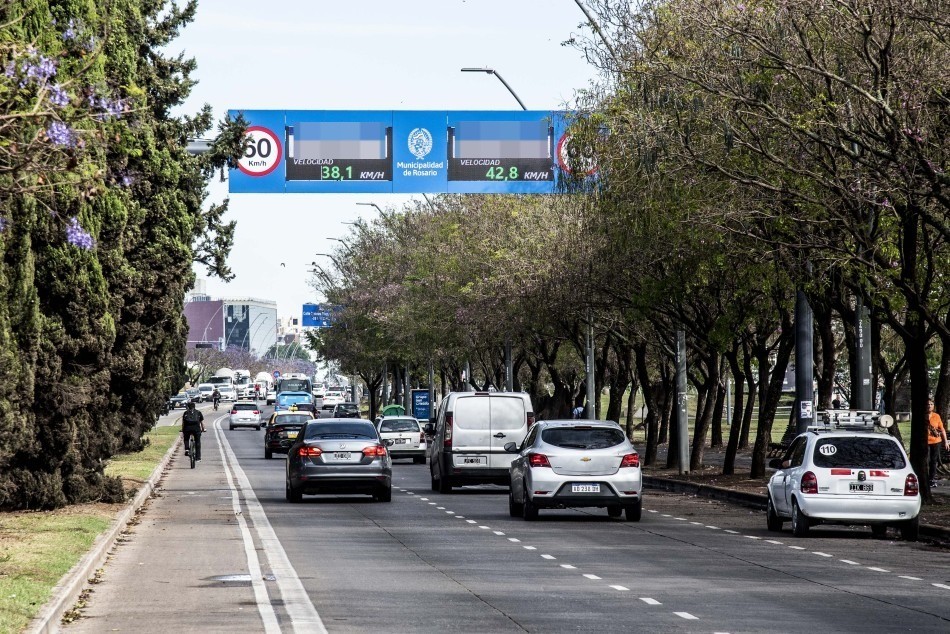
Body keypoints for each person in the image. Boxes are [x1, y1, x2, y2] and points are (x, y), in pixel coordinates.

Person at [927, 399, 948, 487]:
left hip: (936, 441)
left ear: (933, 406)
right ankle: (924, 478)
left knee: (933, 460)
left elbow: (942, 429)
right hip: (925, 442)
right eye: (928, 404)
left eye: (931, 404)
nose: (929, 406)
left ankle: (931, 479)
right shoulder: (922, 416)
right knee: (926, 461)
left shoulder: (936, 416)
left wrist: (946, 442)